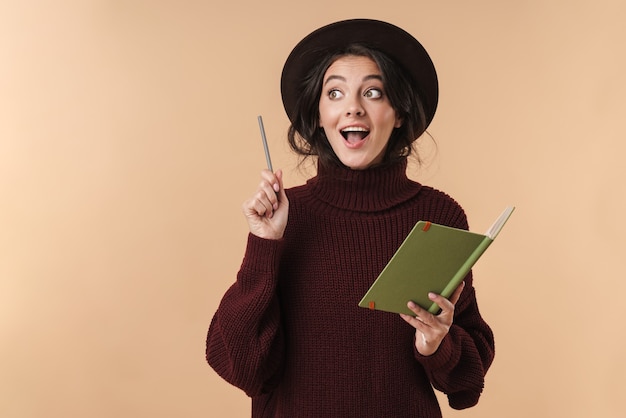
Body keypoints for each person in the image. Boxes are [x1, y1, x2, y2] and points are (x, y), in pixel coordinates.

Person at [206, 19, 495, 417]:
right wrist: (264, 243)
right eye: (335, 92)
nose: (353, 106)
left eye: (373, 92)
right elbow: (242, 366)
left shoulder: (438, 216)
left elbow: (466, 381)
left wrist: (436, 345)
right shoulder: (285, 217)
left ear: (398, 113)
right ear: (320, 115)